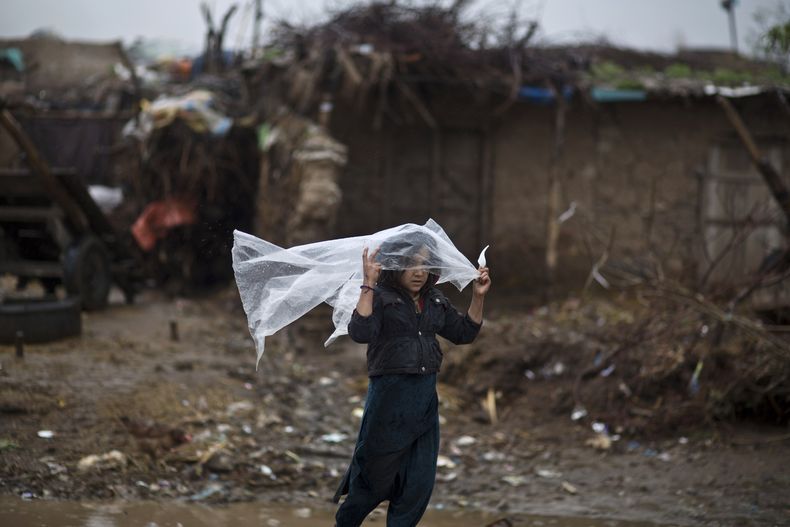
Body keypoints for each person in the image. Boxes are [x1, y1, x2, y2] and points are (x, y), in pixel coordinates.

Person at [333, 232, 491, 526]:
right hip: (388, 402)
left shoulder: (435, 300)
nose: (419, 272)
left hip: (425, 403)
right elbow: (361, 332)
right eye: (411, 265)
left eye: (425, 265)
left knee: (418, 484)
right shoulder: (380, 297)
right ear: (395, 266)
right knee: (372, 481)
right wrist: (368, 284)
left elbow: (464, 333)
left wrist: (478, 296)